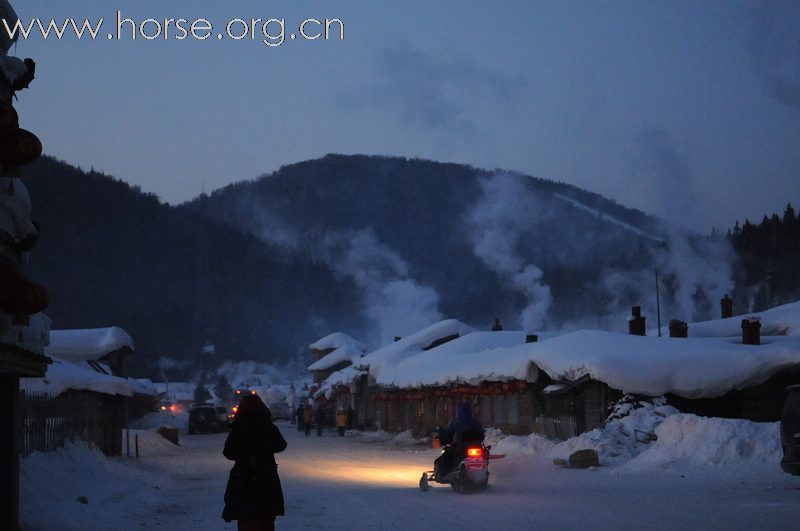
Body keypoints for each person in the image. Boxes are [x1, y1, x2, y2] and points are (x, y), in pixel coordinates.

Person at [222, 394, 287, 531]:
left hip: (244, 479)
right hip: (266, 478)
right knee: (266, 520)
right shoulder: (267, 426)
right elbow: (281, 445)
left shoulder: (238, 427)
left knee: (247, 520)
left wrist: (243, 453)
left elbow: (228, 452)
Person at [435, 402, 484, 478]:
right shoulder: (475, 422)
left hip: (461, 448)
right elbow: (482, 432)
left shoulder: (455, 422)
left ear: (458, 411)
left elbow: (447, 436)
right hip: (477, 447)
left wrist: (443, 438)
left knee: (446, 456)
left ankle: (445, 474)